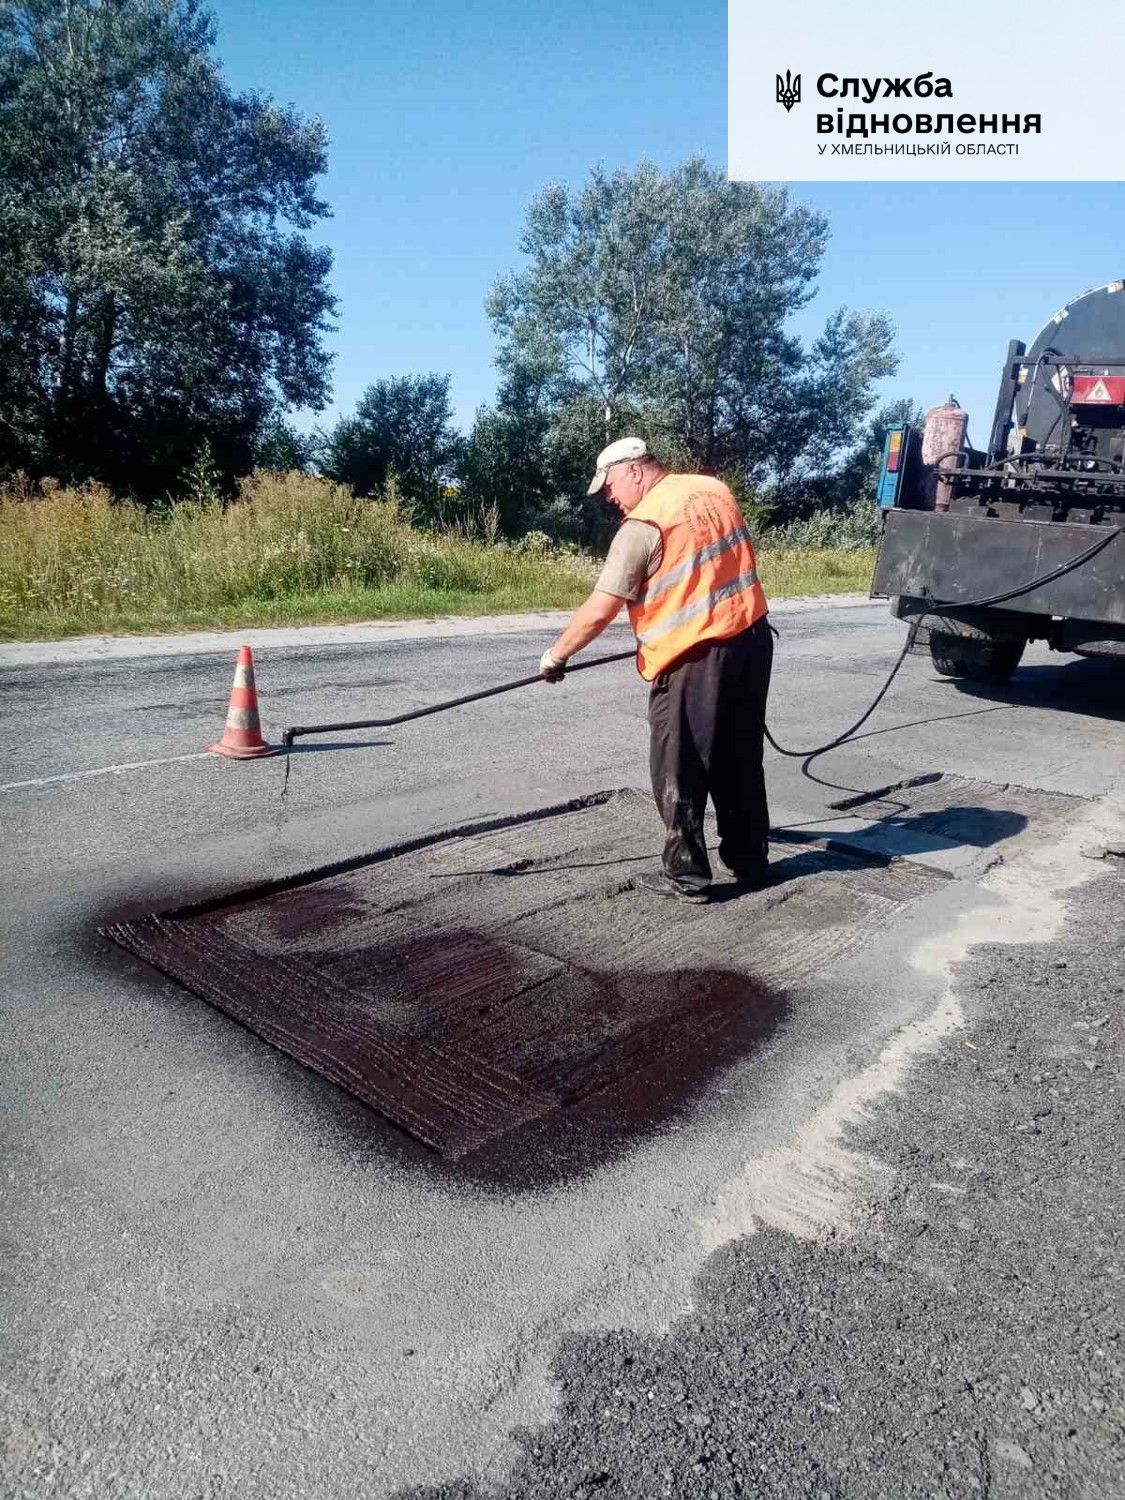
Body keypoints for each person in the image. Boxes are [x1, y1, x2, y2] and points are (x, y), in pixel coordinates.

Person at [539, 436, 773, 903]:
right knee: (738, 756)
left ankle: (686, 875)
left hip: (693, 658)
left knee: (679, 765)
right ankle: (749, 860)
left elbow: (602, 607)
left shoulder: (644, 524)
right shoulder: (712, 490)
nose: (609, 496)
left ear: (634, 470)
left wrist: (557, 655)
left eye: (609, 485)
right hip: (750, 640)